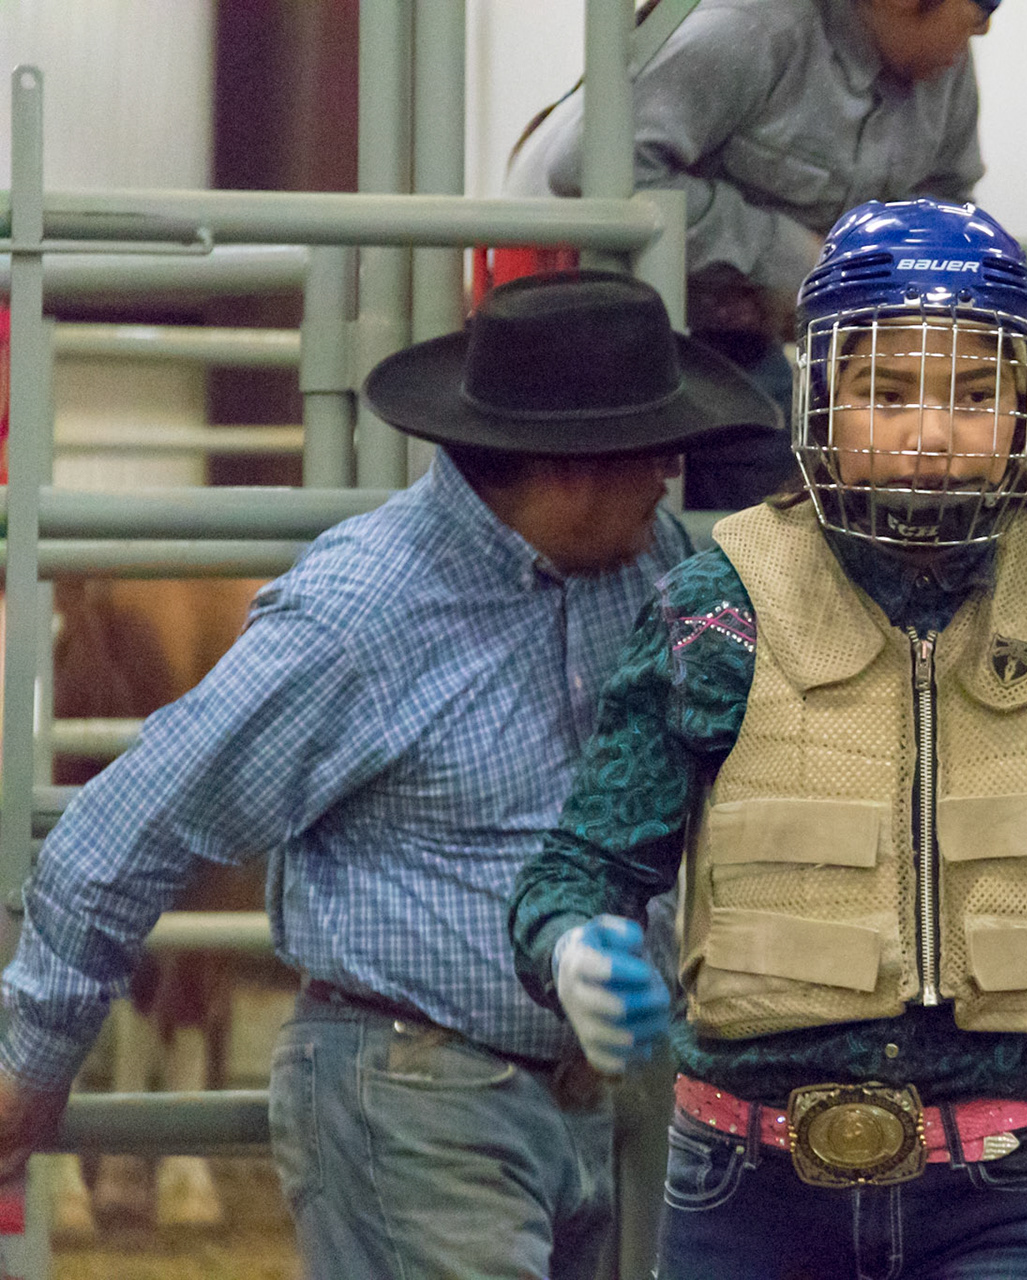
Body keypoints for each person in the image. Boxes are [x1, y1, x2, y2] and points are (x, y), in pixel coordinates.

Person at [508, 199, 1027, 1280]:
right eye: (887, 392)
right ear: (820, 398)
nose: (930, 433)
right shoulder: (719, 604)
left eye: (974, 394)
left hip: (1018, 1188)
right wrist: (570, 945)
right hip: (751, 1186)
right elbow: (579, 865)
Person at [0, 272, 780, 1279]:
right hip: (418, 1092)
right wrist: (34, 1057)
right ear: (572, 468)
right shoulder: (360, 612)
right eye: (653, 456)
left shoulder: (641, 563)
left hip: (575, 1096)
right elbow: (128, 826)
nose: (668, 485)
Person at [505, 0, 999, 510]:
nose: (983, 28)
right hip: (588, 327)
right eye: (983, 5)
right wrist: (793, 256)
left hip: (735, 333)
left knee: (784, 462)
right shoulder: (753, 28)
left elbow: (946, 207)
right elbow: (584, 165)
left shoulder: (939, 64)